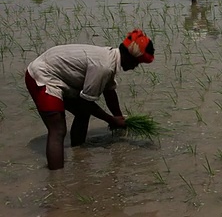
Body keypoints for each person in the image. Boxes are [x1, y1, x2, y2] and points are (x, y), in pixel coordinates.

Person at [25, 29, 155, 170]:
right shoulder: (103, 66)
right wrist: (111, 120)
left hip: (59, 77)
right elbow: (85, 103)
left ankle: (78, 151)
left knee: (82, 113)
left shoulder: (110, 57)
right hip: (42, 76)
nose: (135, 67)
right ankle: (57, 181)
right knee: (58, 130)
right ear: (129, 57)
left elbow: (109, 92)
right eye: (137, 63)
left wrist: (118, 116)